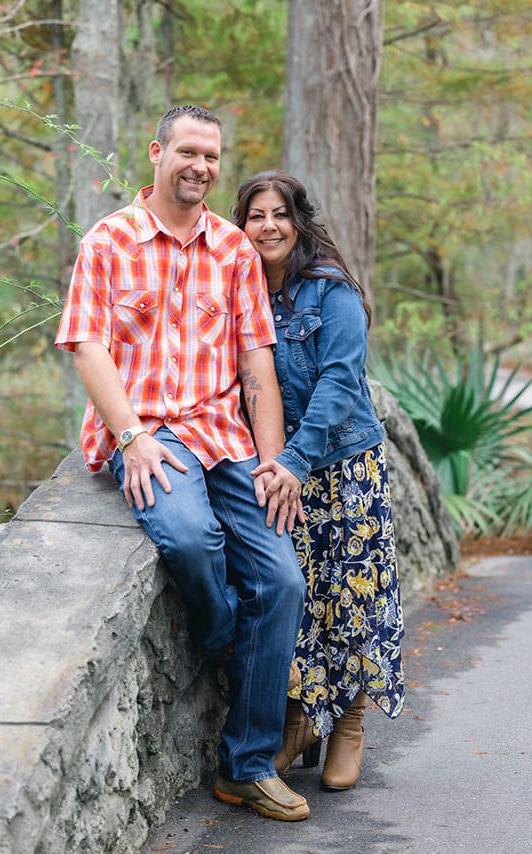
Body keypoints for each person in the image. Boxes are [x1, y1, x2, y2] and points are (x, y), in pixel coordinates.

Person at [55, 105, 309, 821]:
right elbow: (87, 346)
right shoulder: (109, 241)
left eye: (212, 156)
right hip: (149, 437)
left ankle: (247, 765)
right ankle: (236, 645)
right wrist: (131, 435)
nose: (201, 166)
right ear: (157, 152)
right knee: (193, 541)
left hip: (224, 435)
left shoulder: (233, 251)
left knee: (283, 579)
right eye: (188, 152)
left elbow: (256, 361)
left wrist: (272, 460)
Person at [233, 170, 404, 792]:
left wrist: (293, 463)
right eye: (256, 216)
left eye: (280, 214)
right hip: (282, 471)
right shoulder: (239, 288)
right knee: (299, 595)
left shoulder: (331, 292)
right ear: (242, 224)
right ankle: (303, 720)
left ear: (299, 221)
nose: (269, 226)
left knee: (351, 594)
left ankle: (350, 726)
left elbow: (337, 384)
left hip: (342, 466)